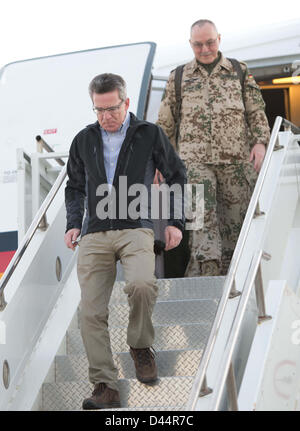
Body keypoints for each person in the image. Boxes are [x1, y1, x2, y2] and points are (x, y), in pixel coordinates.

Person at [64, 73, 186, 410]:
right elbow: (74, 186)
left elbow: (176, 173)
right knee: (91, 311)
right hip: (95, 232)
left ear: (126, 103)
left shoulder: (149, 134)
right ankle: (105, 385)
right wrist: (74, 223)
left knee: (143, 284)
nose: (106, 117)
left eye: (112, 109)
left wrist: (175, 222)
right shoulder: (83, 139)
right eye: (99, 110)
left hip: (136, 226)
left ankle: (140, 345)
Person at [157, 19, 270, 277]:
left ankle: (236, 280)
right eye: (198, 44)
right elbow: (165, 123)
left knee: (235, 224)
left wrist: (260, 143)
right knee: (202, 226)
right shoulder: (179, 76)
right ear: (190, 44)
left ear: (219, 38)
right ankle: (204, 281)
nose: (205, 49)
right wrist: (161, 162)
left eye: (210, 42)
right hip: (194, 164)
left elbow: (256, 111)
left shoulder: (239, 71)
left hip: (236, 163)